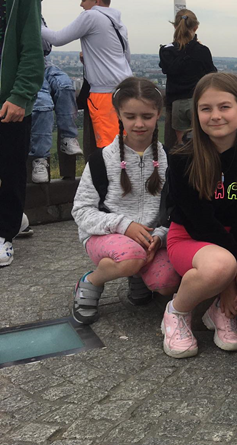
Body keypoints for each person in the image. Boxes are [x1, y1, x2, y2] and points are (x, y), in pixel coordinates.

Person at [164, 72, 237, 358]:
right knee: (221, 265)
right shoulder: (182, 158)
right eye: (206, 108)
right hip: (191, 237)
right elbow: (199, 220)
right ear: (196, 114)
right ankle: (177, 311)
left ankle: (222, 310)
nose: (215, 116)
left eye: (225, 107)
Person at [70, 78, 179, 324]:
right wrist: (124, 225)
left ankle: (137, 275)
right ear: (119, 114)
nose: (139, 123)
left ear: (158, 114)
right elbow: (82, 210)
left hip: (151, 240)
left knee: (166, 282)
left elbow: (176, 209)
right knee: (131, 257)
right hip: (104, 234)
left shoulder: (170, 161)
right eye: (130, 116)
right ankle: (91, 282)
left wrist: (161, 236)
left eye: (147, 116)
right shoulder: (101, 160)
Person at [0, 0, 44, 268]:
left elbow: (32, 47)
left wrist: (21, 95)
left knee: (10, 168)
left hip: (8, 96)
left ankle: (4, 235)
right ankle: (15, 219)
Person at [41, 0, 132, 149]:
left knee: (110, 148)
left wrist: (34, 22)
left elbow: (57, 38)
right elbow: (125, 58)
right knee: (128, 144)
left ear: (96, 0)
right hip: (128, 89)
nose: (81, 4)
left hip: (105, 93)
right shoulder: (118, 24)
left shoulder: (91, 16)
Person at [30, 22, 82, 184]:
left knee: (66, 86)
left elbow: (47, 46)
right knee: (42, 104)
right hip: (26, 66)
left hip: (44, 62)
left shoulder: (37, 16)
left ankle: (68, 137)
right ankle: (40, 158)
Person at [159, 9, 217, 145]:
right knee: (203, 143)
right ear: (195, 27)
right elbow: (212, 75)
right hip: (198, 102)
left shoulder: (167, 51)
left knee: (180, 145)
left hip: (176, 103)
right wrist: (194, 45)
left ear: (175, 26)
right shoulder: (202, 51)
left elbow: (167, 68)